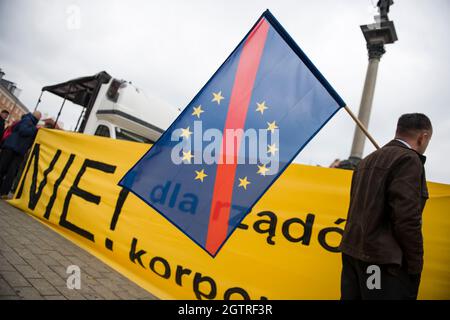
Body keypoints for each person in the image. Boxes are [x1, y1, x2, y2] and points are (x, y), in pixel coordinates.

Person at [339, 113, 432, 300]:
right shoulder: (409, 160)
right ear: (423, 137)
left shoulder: (367, 160)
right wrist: (415, 265)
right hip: (382, 262)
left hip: (353, 254)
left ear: (397, 131)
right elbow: (406, 218)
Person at [0, 111, 41, 198]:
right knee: (3, 168)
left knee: (11, 172)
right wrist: (35, 129)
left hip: (18, 150)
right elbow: (23, 131)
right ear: (37, 118)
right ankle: (3, 192)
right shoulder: (27, 120)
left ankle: (4, 192)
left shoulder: (30, 122)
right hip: (12, 148)